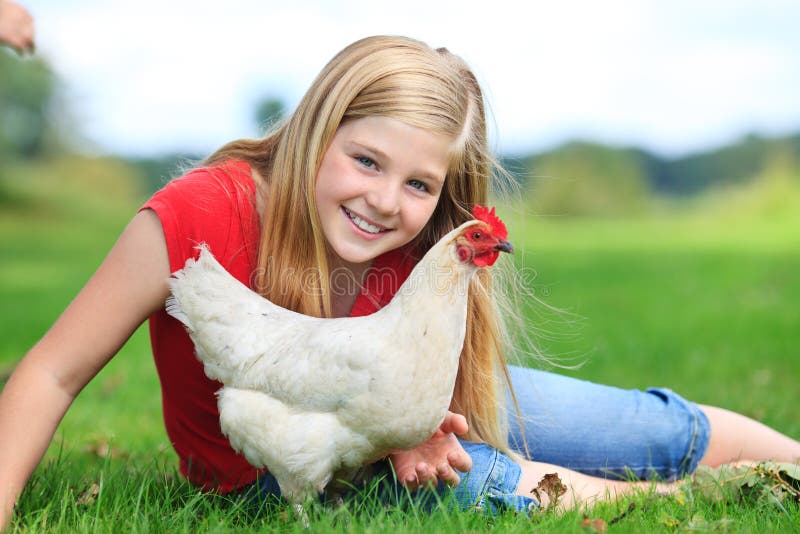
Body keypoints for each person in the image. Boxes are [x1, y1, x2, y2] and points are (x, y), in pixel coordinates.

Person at [1, 35, 798, 526]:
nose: (385, 201)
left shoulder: (423, 248)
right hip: (278, 475)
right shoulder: (200, 216)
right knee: (486, 486)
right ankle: (686, 508)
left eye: (419, 186)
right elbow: (50, 370)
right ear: (319, 128)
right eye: (366, 161)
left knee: (644, 432)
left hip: (405, 414)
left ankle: (783, 460)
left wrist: (418, 420)